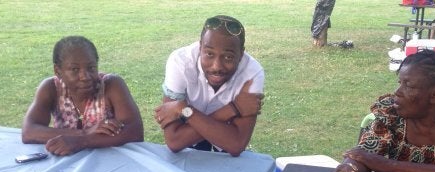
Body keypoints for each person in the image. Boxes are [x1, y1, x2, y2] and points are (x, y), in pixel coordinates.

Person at [154, 15, 264, 157]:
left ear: (241, 54)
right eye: (209, 54)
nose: (216, 66)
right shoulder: (179, 62)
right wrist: (234, 108)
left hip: (219, 145)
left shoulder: (252, 74)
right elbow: (174, 141)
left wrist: (184, 110)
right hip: (195, 147)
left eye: (228, 57)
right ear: (200, 47)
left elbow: (236, 145)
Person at [22, 36, 144, 155]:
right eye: (74, 69)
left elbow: (134, 132)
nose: (85, 77)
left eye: (91, 67)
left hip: (111, 162)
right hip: (66, 164)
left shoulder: (111, 85)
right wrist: (85, 133)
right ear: (58, 71)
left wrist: (82, 141)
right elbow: (29, 132)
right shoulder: (51, 88)